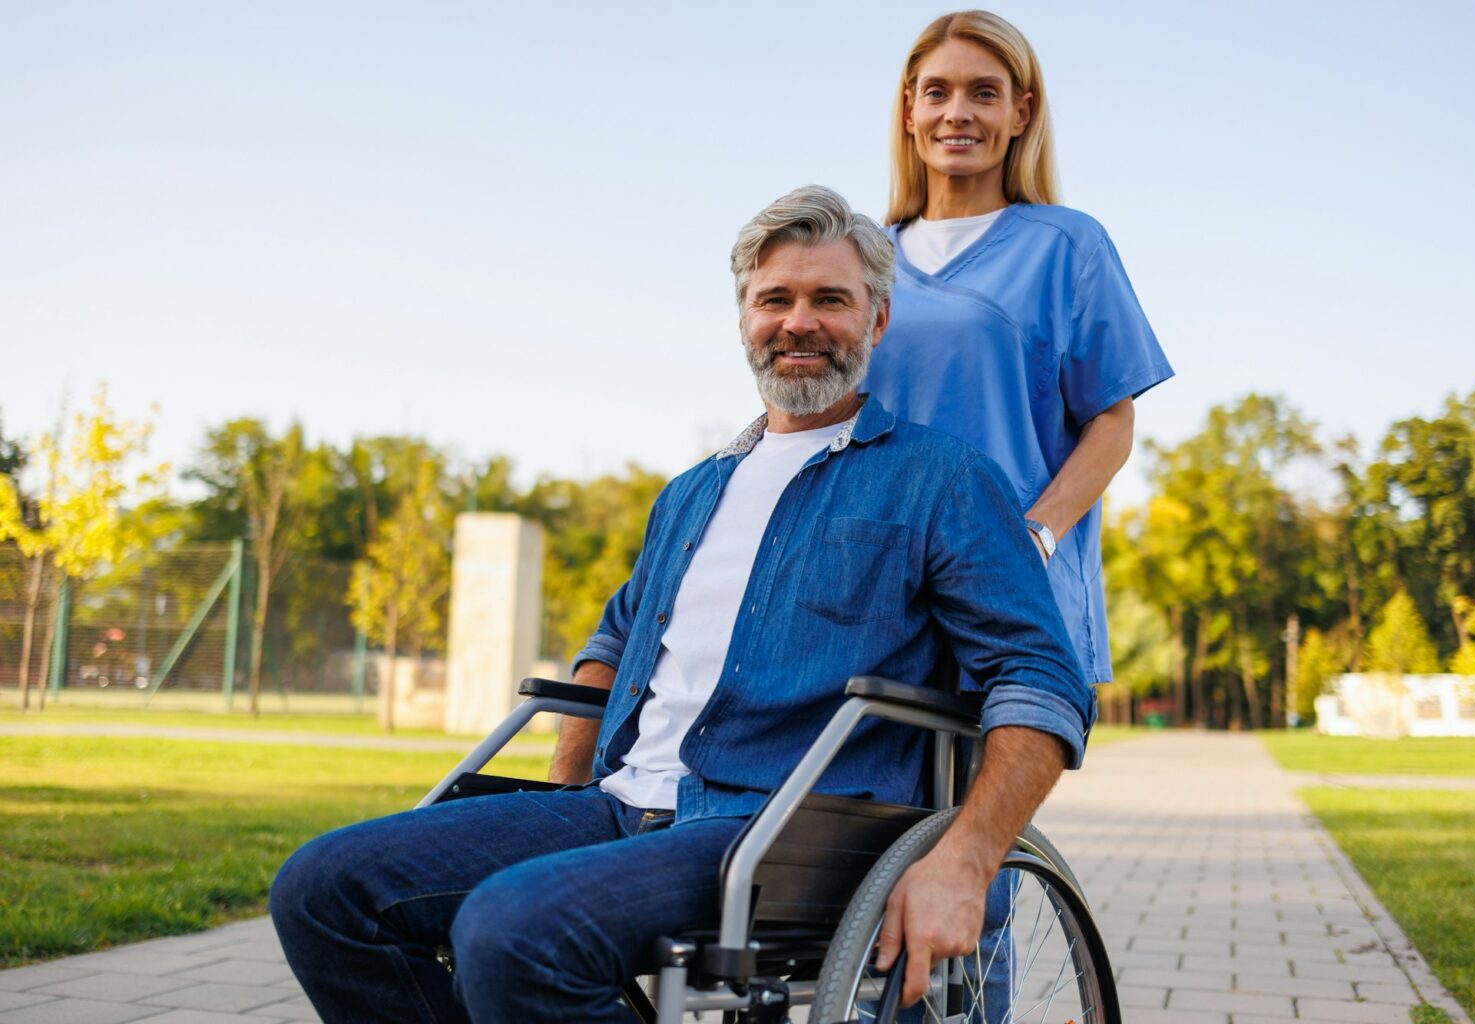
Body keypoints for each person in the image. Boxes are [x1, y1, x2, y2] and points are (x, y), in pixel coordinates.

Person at [269, 186, 1091, 1023]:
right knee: (324, 889)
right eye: (775, 299)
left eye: (829, 300)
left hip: (783, 826)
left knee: (513, 932)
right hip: (621, 805)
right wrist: (564, 793)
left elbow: (1042, 678)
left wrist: (968, 858)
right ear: (744, 320)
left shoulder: (941, 480)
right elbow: (616, 635)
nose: (798, 321)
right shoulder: (692, 495)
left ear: (876, 322)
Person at [864, 10, 1175, 687]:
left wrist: (1033, 536)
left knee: (982, 792)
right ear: (910, 109)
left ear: (1020, 113)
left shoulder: (1068, 246)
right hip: (877, 595)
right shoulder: (863, 259)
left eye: (984, 92)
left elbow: (1113, 422)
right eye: (938, 92)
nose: (958, 113)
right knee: (859, 794)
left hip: (1007, 592)